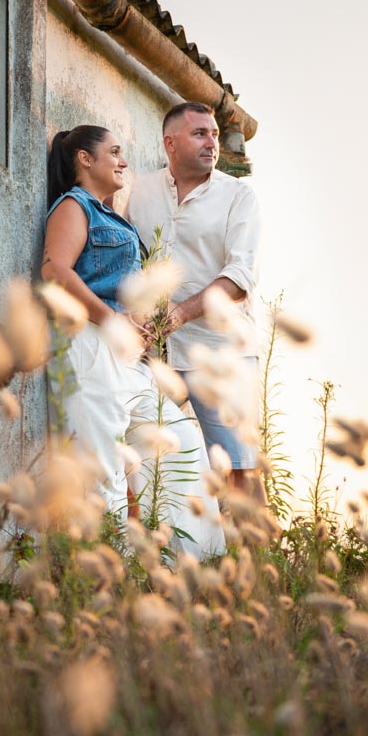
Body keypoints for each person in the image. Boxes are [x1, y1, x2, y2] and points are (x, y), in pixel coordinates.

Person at [43, 125, 224, 559]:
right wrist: (113, 322)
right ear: (85, 160)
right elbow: (55, 272)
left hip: (128, 359)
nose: (124, 162)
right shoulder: (74, 206)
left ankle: (190, 569)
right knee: (100, 467)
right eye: (115, 152)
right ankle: (102, 582)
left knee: (182, 450)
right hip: (88, 344)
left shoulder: (115, 218)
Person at [126, 101, 264, 504]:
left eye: (215, 135)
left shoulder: (239, 197)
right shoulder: (140, 189)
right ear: (170, 143)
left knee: (238, 470)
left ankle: (250, 562)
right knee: (137, 455)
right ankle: (141, 559)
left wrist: (181, 313)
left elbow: (240, 277)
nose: (211, 143)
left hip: (222, 354)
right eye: (199, 134)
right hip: (153, 355)